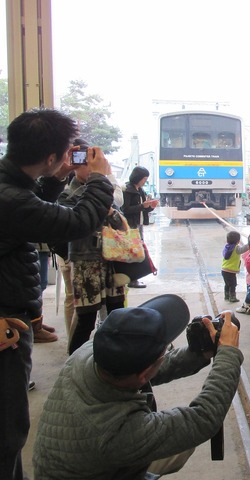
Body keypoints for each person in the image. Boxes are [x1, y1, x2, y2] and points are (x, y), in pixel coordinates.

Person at [0, 108, 114, 480]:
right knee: (8, 432)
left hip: (11, 317)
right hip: (5, 327)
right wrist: (100, 180)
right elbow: (72, 223)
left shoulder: (11, 187)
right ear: (50, 157)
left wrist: (55, 178)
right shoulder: (11, 198)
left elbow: (37, 211)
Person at [33, 294, 243, 479]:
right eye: (165, 350)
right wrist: (228, 353)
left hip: (81, 458)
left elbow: (146, 369)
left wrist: (199, 353)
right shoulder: (117, 433)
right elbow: (203, 419)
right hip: (100, 457)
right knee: (185, 439)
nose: (167, 351)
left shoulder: (92, 351)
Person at [57, 145, 127, 355]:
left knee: (117, 312)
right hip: (85, 262)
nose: (89, 167)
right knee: (86, 317)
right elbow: (68, 218)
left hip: (111, 260)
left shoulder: (105, 187)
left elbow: (119, 221)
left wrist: (110, 207)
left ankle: (115, 356)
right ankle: (73, 363)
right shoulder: (68, 191)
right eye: (84, 163)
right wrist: (91, 185)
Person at [121, 166, 158, 288]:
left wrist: (151, 206)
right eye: (144, 179)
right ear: (138, 178)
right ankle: (132, 279)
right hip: (130, 226)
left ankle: (135, 278)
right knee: (133, 252)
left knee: (138, 252)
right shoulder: (127, 190)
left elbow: (144, 209)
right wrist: (143, 206)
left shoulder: (140, 191)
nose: (144, 181)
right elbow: (125, 209)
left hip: (139, 224)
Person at [221, 230, 243, 303]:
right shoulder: (236, 248)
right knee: (233, 284)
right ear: (238, 241)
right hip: (230, 271)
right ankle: (232, 297)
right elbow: (243, 249)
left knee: (227, 284)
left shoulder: (226, 247)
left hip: (224, 270)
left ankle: (226, 296)